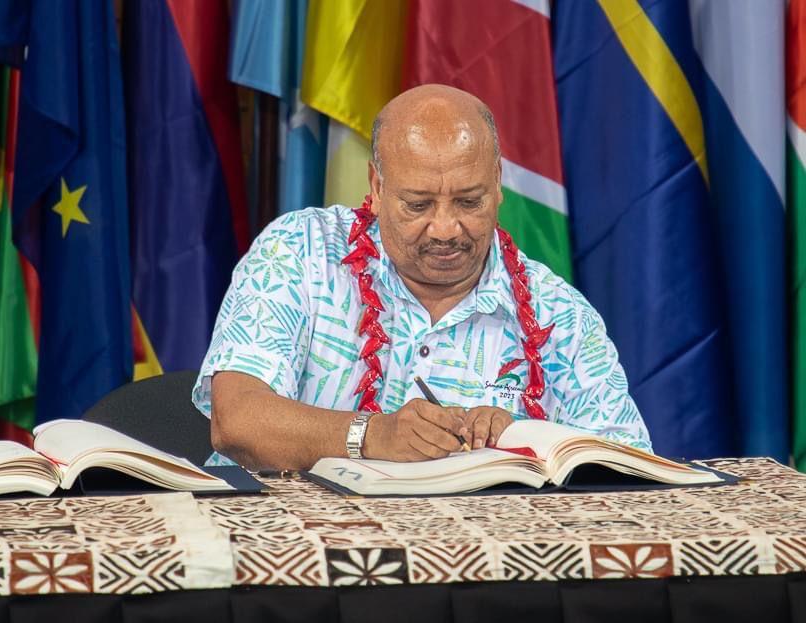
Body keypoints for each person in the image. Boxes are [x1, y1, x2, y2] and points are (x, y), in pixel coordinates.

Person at [193, 84, 651, 470]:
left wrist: (523, 440)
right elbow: (237, 419)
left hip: (484, 564)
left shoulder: (560, 317)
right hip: (291, 553)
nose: (446, 229)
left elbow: (628, 468)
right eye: (418, 205)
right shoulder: (299, 252)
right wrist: (374, 435)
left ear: (496, 184)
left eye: (469, 202)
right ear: (376, 186)